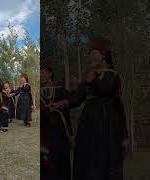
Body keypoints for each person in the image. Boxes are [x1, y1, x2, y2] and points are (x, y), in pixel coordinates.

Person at [49, 37, 129, 180]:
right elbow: (77, 98)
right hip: (89, 124)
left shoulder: (112, 75)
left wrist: (90, 80)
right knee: (87, 159)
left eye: (94, 53)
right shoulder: (90, 76)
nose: (90, 57)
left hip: (106, 124)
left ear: (104, 55)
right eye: (90, 54)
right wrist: (61, 103)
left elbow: (105, 89)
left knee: (104, 159)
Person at [41, 64, 73, 180]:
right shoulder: (39, 93)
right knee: (46, 162)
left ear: (50, 74)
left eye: (44, 72)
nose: (41, 75)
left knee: (61, 162)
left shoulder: (60, 90)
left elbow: (69, 106)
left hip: (60, 132)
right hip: (44, 133)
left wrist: (70, 133)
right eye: (40, 73)